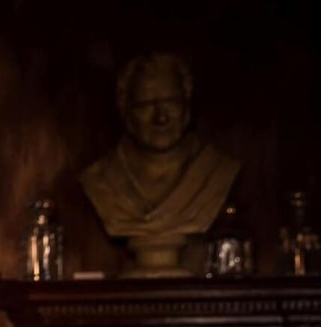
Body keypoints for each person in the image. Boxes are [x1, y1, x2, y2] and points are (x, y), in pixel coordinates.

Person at [80, 52, 240, 276]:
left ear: (187, 103)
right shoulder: (99, 179)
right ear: (125, 111)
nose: (160, 117)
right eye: (145, 105)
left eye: (171, 102)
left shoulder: (218, 171)